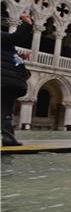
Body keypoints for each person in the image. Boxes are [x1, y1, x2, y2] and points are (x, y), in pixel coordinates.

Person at [1, 12, 33, 146]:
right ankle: (8, 137)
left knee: (5, 108)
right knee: (6, 109)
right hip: (8, 80)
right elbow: (17, 37)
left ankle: (9, 137)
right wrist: (27, 23)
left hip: (6, 79)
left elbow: (6, 51)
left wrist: (20, 55)